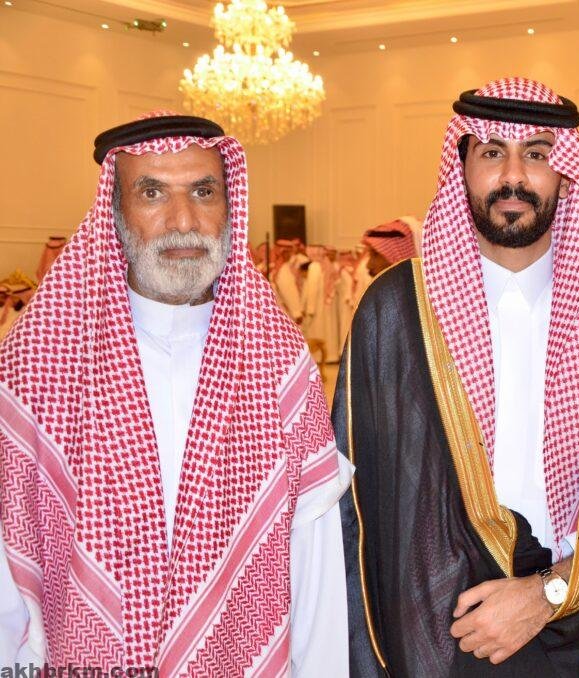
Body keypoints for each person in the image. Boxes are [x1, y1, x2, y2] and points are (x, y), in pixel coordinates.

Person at [334, 77, 579, 677]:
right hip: (440, 637)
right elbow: (362, 510)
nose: (513, 176)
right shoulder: (395, 310)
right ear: (462, 168)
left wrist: (550, 592)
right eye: (491, 153)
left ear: (565, 174)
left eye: (536, 154)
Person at [0, 113, 352, 673]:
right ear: (114, 214)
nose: (183, 221)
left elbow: (315, 567)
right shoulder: (38, 365)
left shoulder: (278, 361)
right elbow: (9, 567)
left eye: (203, 192)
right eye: (152, 193)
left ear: (229, 207)